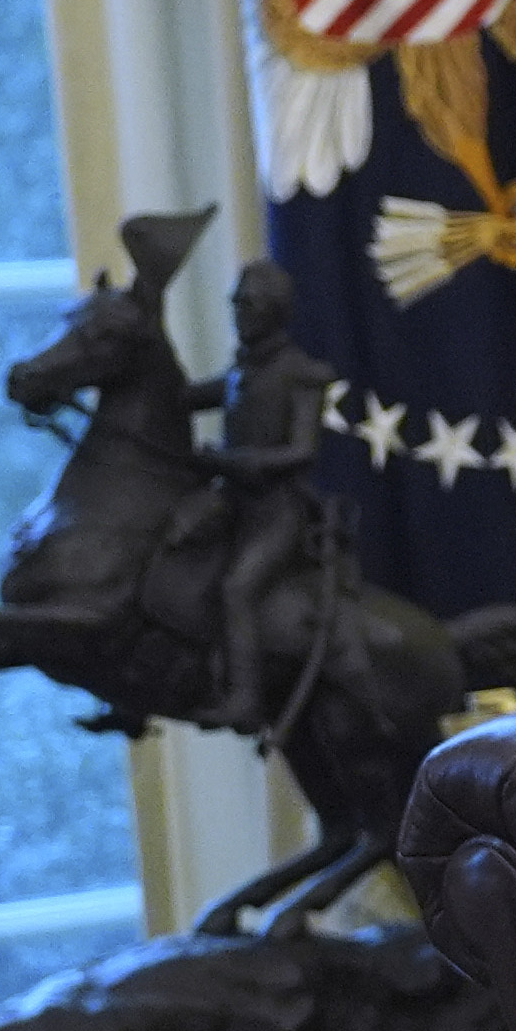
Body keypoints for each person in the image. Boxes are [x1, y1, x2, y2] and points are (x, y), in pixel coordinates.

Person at [181, 259, 342, 733]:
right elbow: (189, 396)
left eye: (246, 304)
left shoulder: (302, 374)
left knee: (238, 587)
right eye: (235, 303)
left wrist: (236, 461)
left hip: (277, 510)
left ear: (272, 310)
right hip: (232, 501)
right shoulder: (240, 371)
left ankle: (245, 698)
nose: (238, 313)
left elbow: (300, 452)